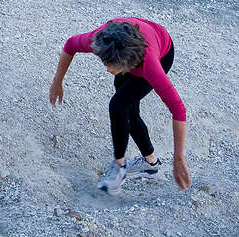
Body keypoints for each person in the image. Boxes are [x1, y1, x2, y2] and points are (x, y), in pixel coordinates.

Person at [49, 17, 191, 192]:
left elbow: (178, 110)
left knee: (118, 105)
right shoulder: (100, 40)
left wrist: (178, 158)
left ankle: (119, 167)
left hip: (161, 51)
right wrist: (57, 82)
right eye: (105, 62)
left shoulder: (150, 65)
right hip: (126, 44)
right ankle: (150, 164)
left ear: (128, 64)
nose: (107, 69)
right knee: (128, 110)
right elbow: (70, 45)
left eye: (112, 65)